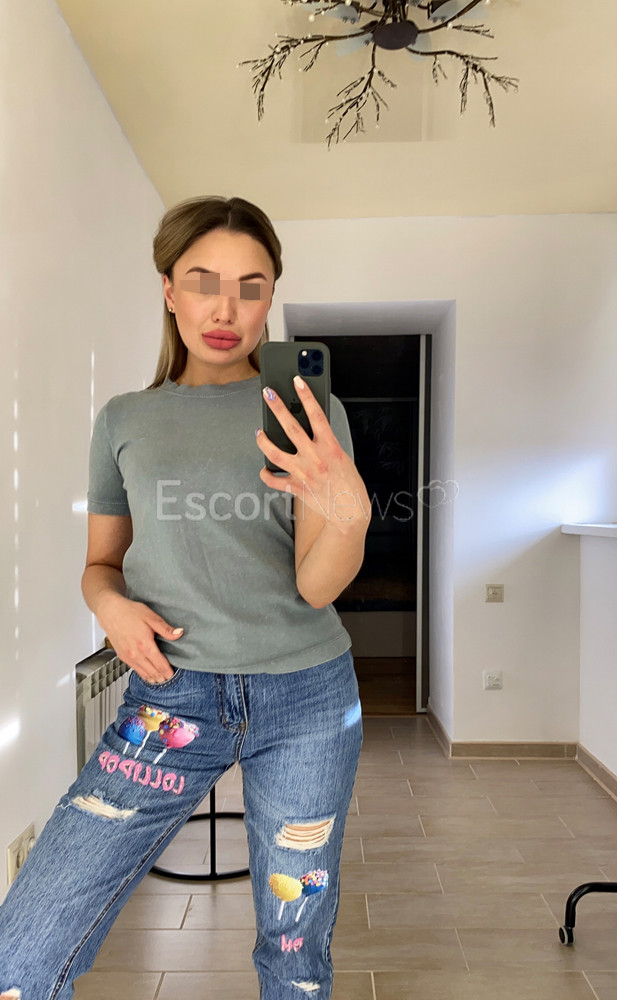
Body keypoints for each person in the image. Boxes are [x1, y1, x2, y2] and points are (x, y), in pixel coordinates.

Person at [0, 195, 371, 1000]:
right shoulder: (124, 420)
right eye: (203, 281)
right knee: (25, 945)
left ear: (270, 298)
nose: (226, 309)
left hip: (307, 699)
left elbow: (316, 586)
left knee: (295, 947)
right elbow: (101, 565)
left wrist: (351, 512)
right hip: (171, 698)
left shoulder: (311, 414)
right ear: (168, 288)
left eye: (250, 286)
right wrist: (110, 607)